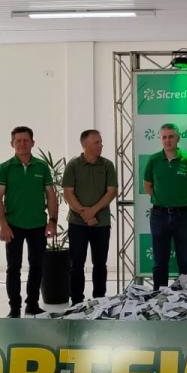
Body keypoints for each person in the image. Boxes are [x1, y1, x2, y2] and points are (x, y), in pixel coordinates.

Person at [0, 126, 58, 318]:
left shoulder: (42, 167)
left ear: (32, 143)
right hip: (13, 226)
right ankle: (14, 308)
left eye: (26, 140)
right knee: (13, 268)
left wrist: (52, 221)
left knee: (37, 267)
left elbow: (51, 195)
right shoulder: (4, 168)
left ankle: (32, 305)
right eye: (18, 140)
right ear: (12, 144)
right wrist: (3, 225)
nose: (22, 144)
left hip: (38, 225)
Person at [61, 129, 119, 305]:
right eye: (97, 142)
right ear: (84, 144)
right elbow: (68, 193)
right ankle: (77, 301)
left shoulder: (107, 165)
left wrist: (93, 211)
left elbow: (112, 192)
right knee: (77, 264)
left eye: (100, 142)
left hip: (101, 224)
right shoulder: (73, 165)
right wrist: (84, 214)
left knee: (100, 263)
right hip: (77, 224)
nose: (101, 145)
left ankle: (99, 299)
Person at [143, 123, 187, 291]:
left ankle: (186, 296)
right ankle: (159, 295)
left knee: (185, 260)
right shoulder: (153, 160)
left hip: (183, 215)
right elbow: (148, 186)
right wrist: (161, 200)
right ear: (161, 139)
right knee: (160, 261)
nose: (167, 140)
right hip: (159, 215)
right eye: (164, 137)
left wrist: (185, 201)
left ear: (178, 138)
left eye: (171, 137)